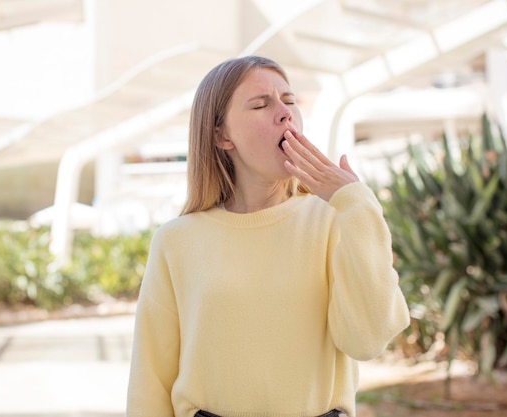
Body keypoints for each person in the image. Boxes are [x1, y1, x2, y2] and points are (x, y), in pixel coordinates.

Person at [126, 56, 410, 417]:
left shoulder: (334, 221)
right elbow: (149, 385)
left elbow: (367, 340)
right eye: (261, 104)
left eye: (289, 101)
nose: (284, 113)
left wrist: (358, 204)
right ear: (221, 135)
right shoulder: (176, 241)